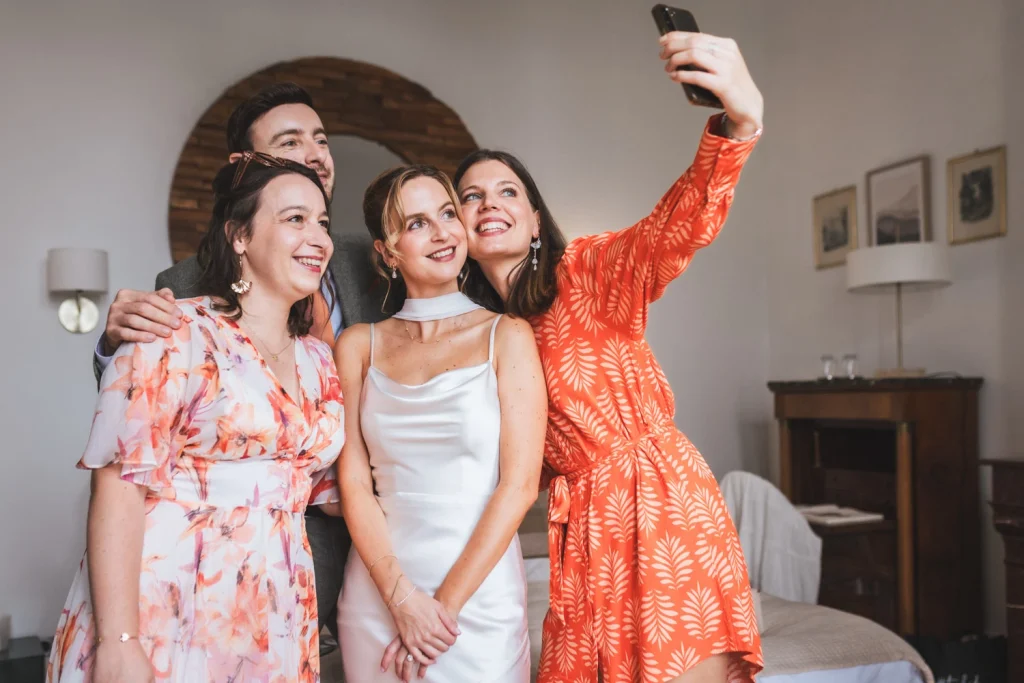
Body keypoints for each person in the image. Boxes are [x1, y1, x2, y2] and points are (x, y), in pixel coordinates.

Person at [454, 31, 765, 683]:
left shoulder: (589, 269)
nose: (489, 205)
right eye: (471, 197)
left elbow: (673, 229)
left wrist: (739, 122)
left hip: (659, 504)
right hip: (581, 533)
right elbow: (502, 467)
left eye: (507, 192)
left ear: (536, 220)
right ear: (457, 230)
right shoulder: (484, 340)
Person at [89, 82, 383, 651]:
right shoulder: (180, 296)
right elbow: (130, 448)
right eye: (291, 140)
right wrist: (111, 345)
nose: (316, 153)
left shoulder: (371, 260)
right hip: (189, 583)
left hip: (321, 582)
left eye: (321, 139)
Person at [48, 155, 344, 682]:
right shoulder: (174, 331)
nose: (318, 237)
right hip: (169, 599)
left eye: (323, 221)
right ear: (239, 237)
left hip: (275, 609)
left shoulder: (321, 361)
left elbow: (332, 491)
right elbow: (117, 486)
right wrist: (120, 641)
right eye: (295, 218)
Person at [334, 165, 547, 682]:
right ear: (387, 253)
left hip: (478, 595)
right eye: (416, 223)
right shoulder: (358, 345)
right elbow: (354, 484)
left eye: (448, 214)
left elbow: (519, 486)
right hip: (380, 591)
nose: (443, 232)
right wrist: (402, 600)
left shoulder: (508, 335)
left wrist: (440, 611)